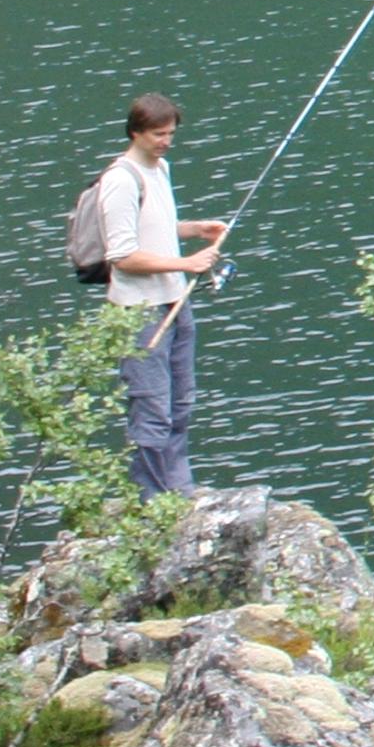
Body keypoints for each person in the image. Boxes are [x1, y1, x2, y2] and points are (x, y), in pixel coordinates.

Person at [97, 92, 228, 497]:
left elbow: (153, 228)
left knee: (181, 402)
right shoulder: (120, 181)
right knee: (152, 409)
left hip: (175, 302)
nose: (166, 141)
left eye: (171, 133)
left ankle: (180, 490)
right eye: (158, 134)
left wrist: (194, 230)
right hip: (139, 313)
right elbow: (122, 256)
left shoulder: (161, 169)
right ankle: (152, 500)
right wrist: (187, 264)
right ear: (136, 132)